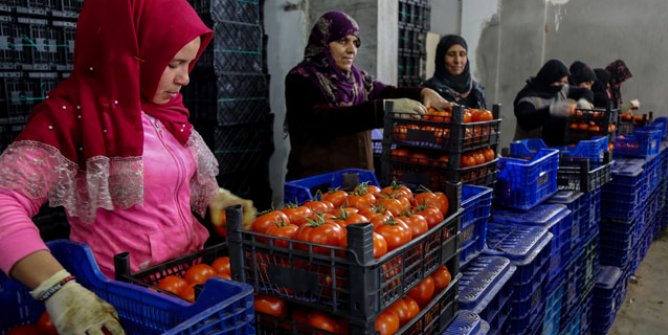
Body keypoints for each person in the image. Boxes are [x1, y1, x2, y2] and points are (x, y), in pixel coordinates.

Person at [0, 0, 254, 334]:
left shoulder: (167, 112)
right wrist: (58, 289)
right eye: (174, 63)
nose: (185, 79)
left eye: (190, 63)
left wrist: (213, 196)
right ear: (131, 53)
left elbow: (171, 177)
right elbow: (5, 202)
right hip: (126, 301)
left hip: (187, 283)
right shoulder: (72, 116)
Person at [284, 11, 449, 180]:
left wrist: (422, 93)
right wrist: (382, 109)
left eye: (355, 43)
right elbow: (324, 120)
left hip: (354, 182)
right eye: (343, 41)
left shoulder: (356, 78)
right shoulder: (301, 79)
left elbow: (386, 92)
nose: (352, 50)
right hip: (315, 183)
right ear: (323, 42)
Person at [513, 59, 576, 146]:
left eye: (564, 82)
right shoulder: (529, 98)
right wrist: (550, 111)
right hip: (528, 151)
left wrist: (585, 100)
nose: (561, 85)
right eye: (558, 82)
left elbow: (584, 92)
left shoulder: (561, 91)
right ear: (549, 79)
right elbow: (525, 121)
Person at [422, 34, 487, 109]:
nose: (457, 60)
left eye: (462, 54)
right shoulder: (428, 90)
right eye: (451, 54)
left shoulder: (477, 91)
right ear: (441, 58)